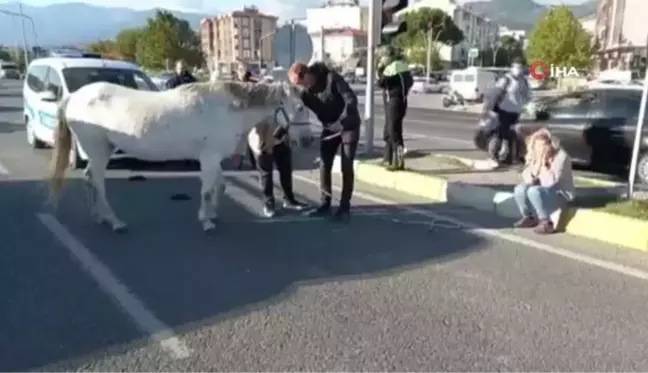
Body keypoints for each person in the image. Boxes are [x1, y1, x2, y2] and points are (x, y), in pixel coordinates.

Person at [288, 61, 360, 220]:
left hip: (348, 125)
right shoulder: (305, 94)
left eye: (300, 83)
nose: (301, 87)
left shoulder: (331, 79)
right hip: (329, 127)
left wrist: (343, 120)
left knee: (346, 165)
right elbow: (293, 112)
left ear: (307, 75)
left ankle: (344, 208)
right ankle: (325, 203)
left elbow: (351, 99)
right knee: (324, 164)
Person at [513, 129, 574, 234]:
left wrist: (544, 163)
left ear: (551, 144)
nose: (541, 148)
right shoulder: (533, 155)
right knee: (520, 189)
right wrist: (537, 165)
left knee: (534, 191)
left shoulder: (561, 157)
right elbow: (527, 178)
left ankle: (546, 222)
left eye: (545, 145)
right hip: (541, 192)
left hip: (560, 193)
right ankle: (529, 217)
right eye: (538, 146)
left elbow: (551, 182)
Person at [484, 60, 531, 167]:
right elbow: (495, 93)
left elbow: (527, 96)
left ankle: (509, 158)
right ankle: (493, 157)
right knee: (499, 134)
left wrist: (526, 106)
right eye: (516, 67)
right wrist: (491, 109)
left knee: (511, 135)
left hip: (515, 113)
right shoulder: (506, 79)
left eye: (520, 67)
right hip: (502, 111)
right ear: (512, 67)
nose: (518, 70)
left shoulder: (524, 81)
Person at [377, 46, 413, 170]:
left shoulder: (391, 69)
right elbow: (409, 82)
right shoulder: (403, 67)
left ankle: (399, 163)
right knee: (388, 132)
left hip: (394, 103)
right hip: (400, 102)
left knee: (394, 134)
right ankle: (388, 158)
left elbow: (380, 83)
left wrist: (380, 68)